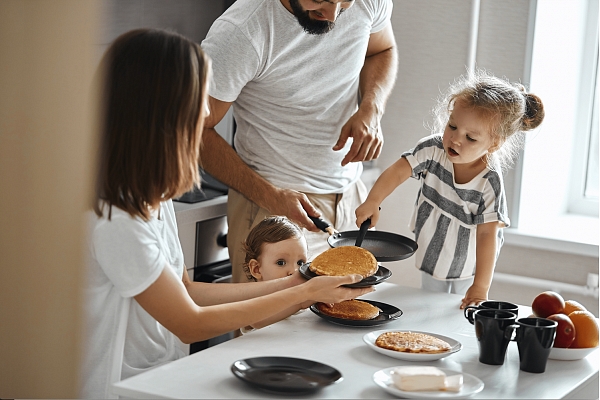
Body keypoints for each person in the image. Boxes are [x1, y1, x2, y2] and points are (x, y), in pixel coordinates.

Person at [81, 28, 373, 399]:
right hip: (111, 388)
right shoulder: (116, 219)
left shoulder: (150, 197)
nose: (207, 111)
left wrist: (297, 284)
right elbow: (189, 322)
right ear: (163, 113)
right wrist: (307, 291)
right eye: (199, 98)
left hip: (150, 377)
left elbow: (186, 292)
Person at [199, 0, 398, 283]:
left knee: (351, 321)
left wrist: (372, 108)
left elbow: (381, 49)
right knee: (270, 328)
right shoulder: (241, 31)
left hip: (350, 200)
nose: (332, 16)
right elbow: (192, 132)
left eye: (344, 3)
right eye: (320, 0)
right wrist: (271, 197)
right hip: (274, 207)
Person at [355, 70, 545, 309]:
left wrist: (481, 286)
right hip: (432, 251)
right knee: (429, 305)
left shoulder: (489, 181)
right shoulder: (433, 149)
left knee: (458, 311)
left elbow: (487, 234)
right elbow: (398, 170)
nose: (455, 139)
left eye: (470, 138)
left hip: (469, 265)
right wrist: (373, 200)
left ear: (494, 143)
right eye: (452, 126)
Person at [239, 216, 309, 333]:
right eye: (281, 263)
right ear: (256, 269)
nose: (294, 270)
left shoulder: (302, 293)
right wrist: (304, 301)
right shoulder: (255, 299)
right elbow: (257, 321)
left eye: (300, 263)